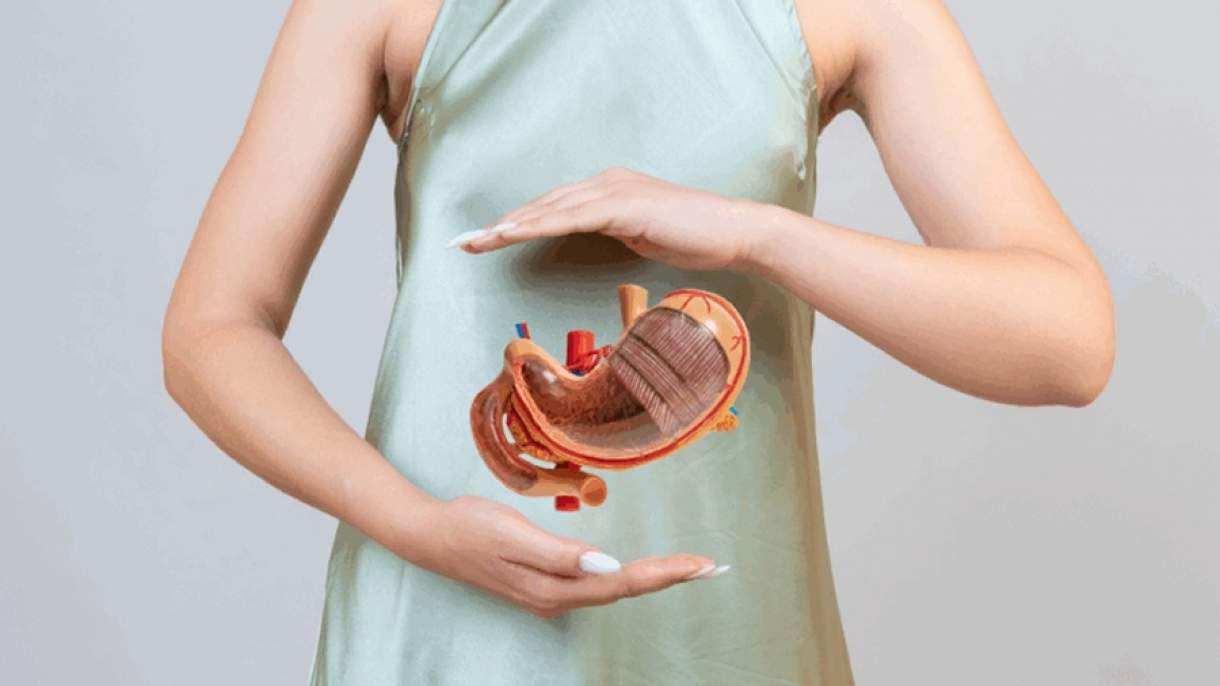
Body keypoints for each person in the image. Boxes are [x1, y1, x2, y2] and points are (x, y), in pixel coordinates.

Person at [161, 0, 1115, 683]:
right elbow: (211, 329)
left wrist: (754, 233)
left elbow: (1069, 342)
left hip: (728, 633)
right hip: (445, 630)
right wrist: (415, 527)